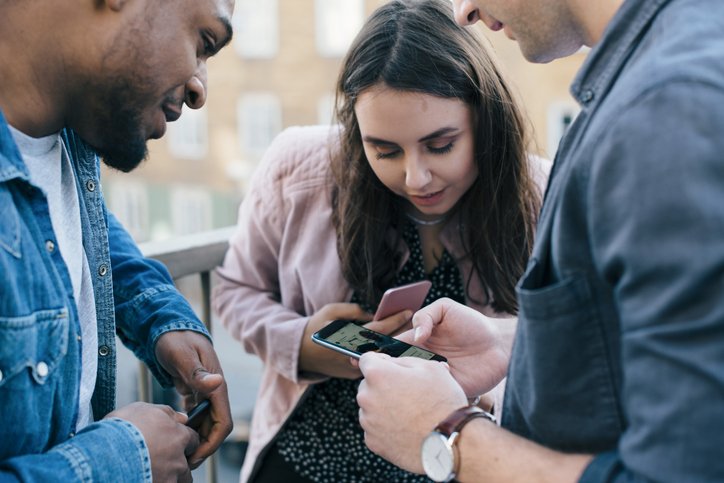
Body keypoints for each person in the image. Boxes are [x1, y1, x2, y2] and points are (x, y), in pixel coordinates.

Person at [356, 0, 724, 481]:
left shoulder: (665, 108)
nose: (463, 11)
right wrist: (509, 342)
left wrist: (447, 434)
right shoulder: (659, 73)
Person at [213, 0, 549, 481]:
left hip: (455, 459)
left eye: (441, 145)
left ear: (485, 119)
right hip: (305, 457)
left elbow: (570, 344)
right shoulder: (298, 166)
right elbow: (234, 292)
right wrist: (303, 345)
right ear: (357, 132)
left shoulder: (542, 194)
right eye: (384, 150)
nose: (417, 178)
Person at [0, 0, 235, 481]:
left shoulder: (62, 130)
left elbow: (77, 226)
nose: (199, 90)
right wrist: (124, 459)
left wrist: (162, 318)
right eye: (203, 43)